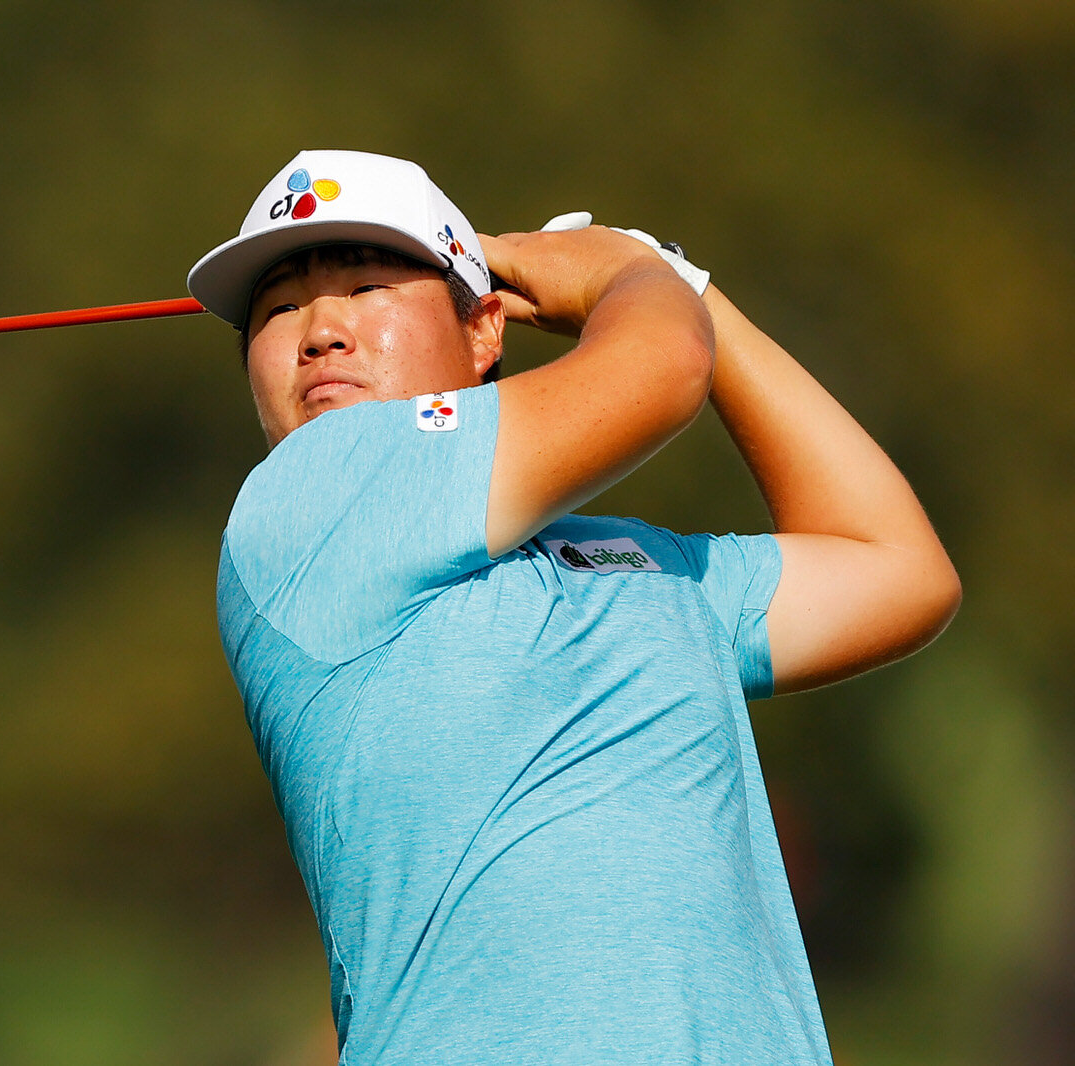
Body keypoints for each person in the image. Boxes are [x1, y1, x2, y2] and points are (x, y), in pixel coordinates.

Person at [185, 150, 960, 1065]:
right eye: (278, 310)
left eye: (366, 285)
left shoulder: (631, 560)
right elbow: (661, 367)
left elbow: (898, 570)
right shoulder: (307, 503)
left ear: (483, 329)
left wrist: (692, 292)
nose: (320, 330)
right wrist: (630, 274)